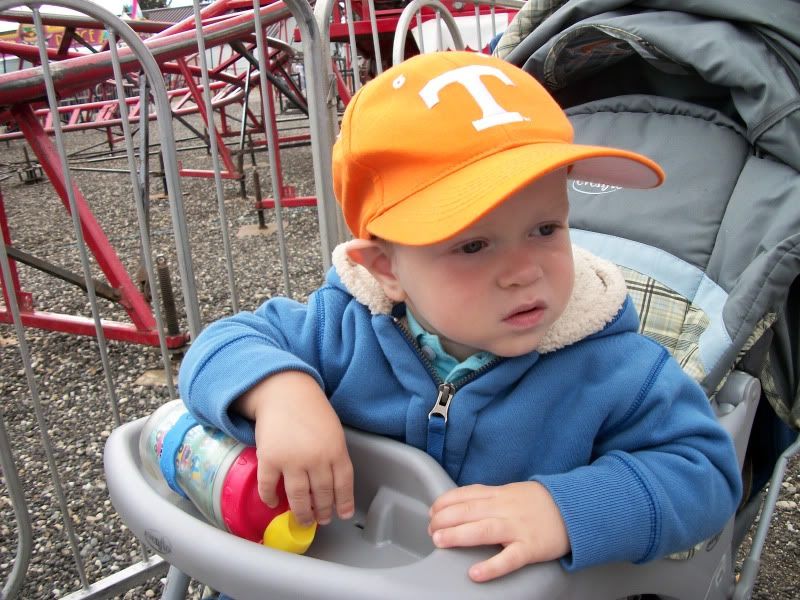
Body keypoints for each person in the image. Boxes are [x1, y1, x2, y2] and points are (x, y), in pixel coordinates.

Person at [179, 51, 741, 584]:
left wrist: (565, 509)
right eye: (473, 246)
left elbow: (704, 474)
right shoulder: (340, 330)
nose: (524, 272)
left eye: (545, 229)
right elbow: (222, 344)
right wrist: (280, 393)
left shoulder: (618, 370)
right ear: (385, 269)